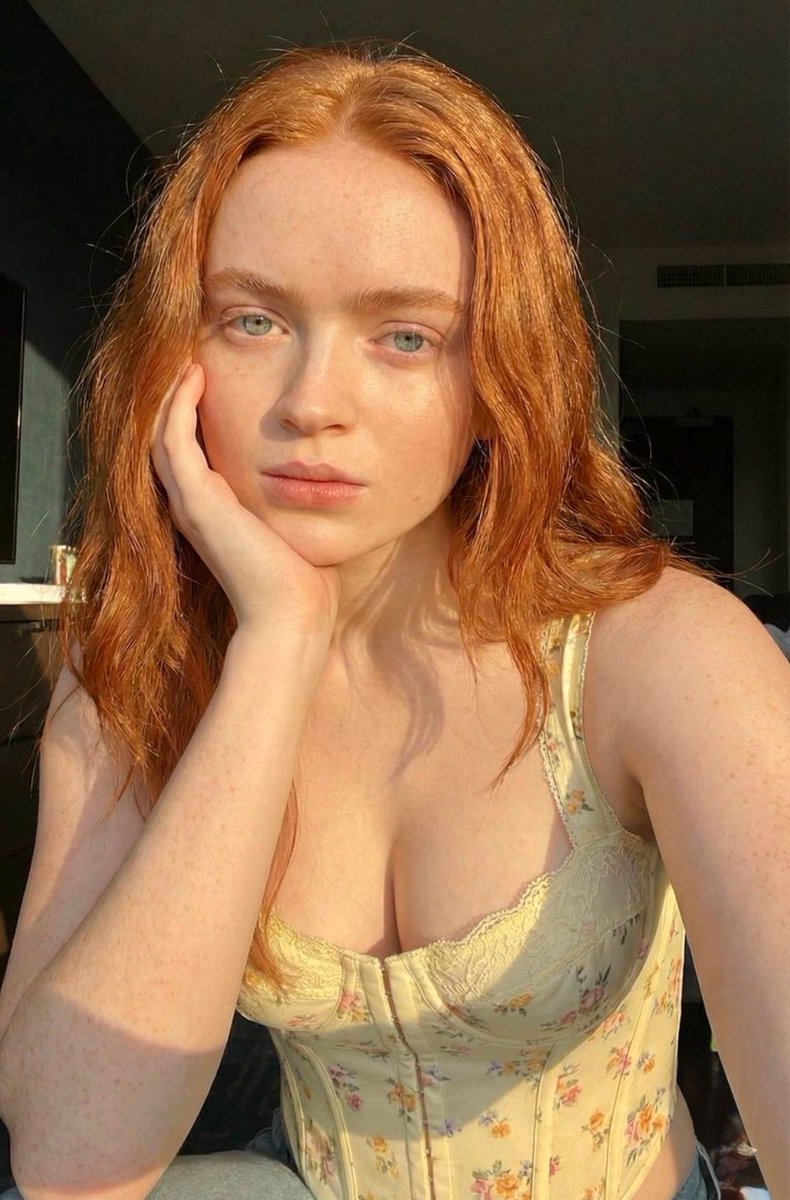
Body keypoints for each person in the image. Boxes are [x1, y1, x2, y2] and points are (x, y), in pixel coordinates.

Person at [0, 38, 786, 1200]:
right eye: (251, 320)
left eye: (406, 336)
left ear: (499, 377)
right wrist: (274, 646)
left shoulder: (658, 651)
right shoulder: (139, 658)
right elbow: (73, 1158)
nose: (312, 404)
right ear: (176, 350)